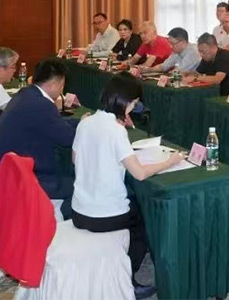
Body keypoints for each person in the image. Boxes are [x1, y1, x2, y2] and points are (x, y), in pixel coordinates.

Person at [71, 73, 180, 299]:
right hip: (106, 216)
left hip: (79, 210)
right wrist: (170, 161)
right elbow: (139, 174)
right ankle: (125, 282)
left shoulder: (86, 122)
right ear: (124, 102)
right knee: (143, 226)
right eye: (134, 103)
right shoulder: (116, 130)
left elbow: (75, 159)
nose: (133, 108)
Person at [0, 59, 77, 201]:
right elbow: (68, 138)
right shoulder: (42, 105)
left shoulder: (26, 94)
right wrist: (86, 128)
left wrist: (80, 122)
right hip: (14, 183)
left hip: (3, 173)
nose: (61, 90)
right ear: (54, 84)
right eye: (62, 85)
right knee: (76, 184)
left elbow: (54, 124)